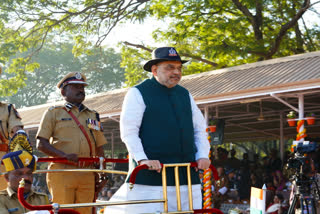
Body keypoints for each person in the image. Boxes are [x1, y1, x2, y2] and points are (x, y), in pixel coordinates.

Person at [105, 47, 210, 213]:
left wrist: (202, 154)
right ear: (154, 70)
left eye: (179, 68)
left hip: (187, 176)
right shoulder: (138, 92)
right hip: (151, 178)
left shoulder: (185, 94)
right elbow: (129, 132)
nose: (176, 72)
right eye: (170, 67)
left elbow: (199, 129)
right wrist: (142, 160)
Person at [36, 72, 108, 214]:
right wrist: (64, 155)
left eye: (82, 87)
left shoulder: (93, 115)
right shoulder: (53, 112)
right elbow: (41, 144)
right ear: (63, 91)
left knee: (86, 212)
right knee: (63, 211)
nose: (81, 90)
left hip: (87, 172)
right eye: (75, 87)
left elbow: (99, 146)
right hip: (62, 171)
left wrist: (103, 174)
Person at [0, 67, 25, 189]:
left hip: (3, 164)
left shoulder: (7, 109)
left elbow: (18, 131)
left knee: (4, 200)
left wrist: (21, 138)